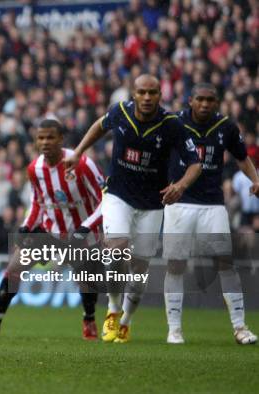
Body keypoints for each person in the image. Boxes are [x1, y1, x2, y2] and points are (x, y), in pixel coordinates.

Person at [63, 75, 202, 343]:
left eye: (152, 93)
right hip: (118, 195)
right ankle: (113, 310)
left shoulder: (171, 125)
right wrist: (79, 151)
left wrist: (181, 186)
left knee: (138, 272)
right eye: (142, 92)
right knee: (116, 249)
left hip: (152, 204)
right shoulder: (120, 112)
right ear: (134, 94)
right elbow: (99, 126)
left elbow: (195, 163)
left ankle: (126, 321)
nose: (147, 97)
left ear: (160, 95)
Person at [0, 118, 105, 340]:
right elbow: (38, 202)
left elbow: (106, 201)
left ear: (61, 139)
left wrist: (87, 228)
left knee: (87, 281)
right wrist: (26, 226)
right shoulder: (35, 169)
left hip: (82, 233)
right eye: (41, 138)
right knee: (14, 269)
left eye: (50, 137)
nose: (45, 142)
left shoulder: (83, 164)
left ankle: (89, 320)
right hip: (49, 231)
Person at [163, 83, 259, 345]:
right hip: (179, 203)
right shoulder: (174, 124)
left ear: (216, 102)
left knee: (226, 262)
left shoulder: (226, 126)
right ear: (190, 100)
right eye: (200, 99)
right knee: (176, 264)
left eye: (210, 100)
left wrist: (255, 179)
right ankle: (174, 330)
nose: (205, 104)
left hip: (213, 204)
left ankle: (240, 327)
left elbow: (242, 157)